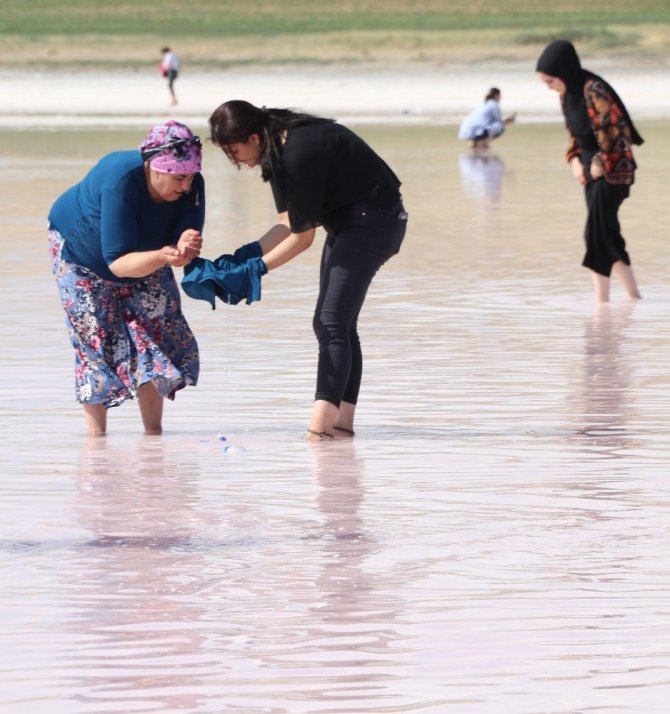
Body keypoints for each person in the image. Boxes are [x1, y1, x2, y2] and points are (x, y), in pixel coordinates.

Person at [205, 100, 408, 441]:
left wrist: (254, 272)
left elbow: (303, 238)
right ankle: (340, 427)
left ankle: (319, 432)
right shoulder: (276, 149)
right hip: (351, 225)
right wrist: (245, 257)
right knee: (337, 323)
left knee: (331, 322)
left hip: (375, 223)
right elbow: (288, 222)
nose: (235, 159)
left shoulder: (298, 151)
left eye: (234, 150)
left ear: (253, 138)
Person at [48, 120, 205, 436]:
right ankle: (97, 445)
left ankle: (153, 436)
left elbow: (180, 241)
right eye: (178, 178)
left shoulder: (192, 185)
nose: (186, 186)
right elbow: (119, 264)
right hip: (82, 259)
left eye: (190, 177)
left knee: (156, 334)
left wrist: (186, 244)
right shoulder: (120, 178)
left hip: (146, 256)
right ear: (155, 168)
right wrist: (164, 256)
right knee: (95, 342)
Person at [536, 40, 643, 303]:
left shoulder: (594, 90)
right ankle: (634, 298)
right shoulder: (567, 95)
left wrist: (600, 164)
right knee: (608, 234)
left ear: (563, 71)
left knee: (594, 233)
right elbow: (574, 135)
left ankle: (601, 303)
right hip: (588, 171)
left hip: (613, 171)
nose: (550, 88)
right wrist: (574, 162)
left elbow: (616, 132)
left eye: (551, 81)